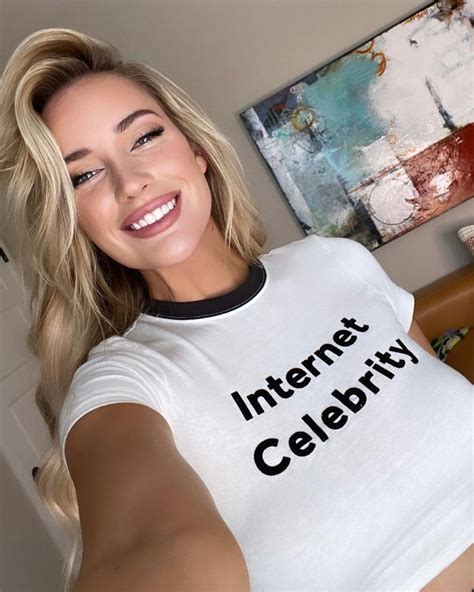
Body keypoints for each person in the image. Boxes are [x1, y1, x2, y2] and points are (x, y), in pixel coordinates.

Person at [0, 27, 472, 592]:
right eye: (84, 174)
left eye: (144, 138)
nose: (131, 182)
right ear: (72, 217)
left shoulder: (336, 261)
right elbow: (156, 553)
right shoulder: (123, 383)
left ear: (195, 151)